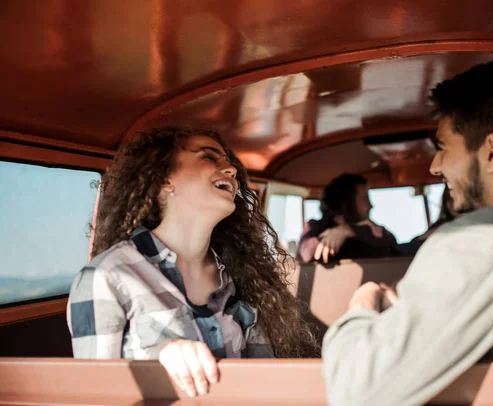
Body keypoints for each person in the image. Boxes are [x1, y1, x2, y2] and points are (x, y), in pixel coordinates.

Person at [322, 58, 493, 405]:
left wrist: (362, 303)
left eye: (442, 148)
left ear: (492, 152)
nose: (435, 166)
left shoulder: (480, 240)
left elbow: (353, 389)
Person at [67, 127, 317, 397]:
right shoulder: (107, 276)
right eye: (209, 157)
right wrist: (158, 360)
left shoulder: (243, 277)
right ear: (164, 179)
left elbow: (265, 386)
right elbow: (94, 397)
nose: (230, 170)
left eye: (228, 162)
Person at [297, 173, 397, 264]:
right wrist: (328, 240)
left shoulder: (368, 228)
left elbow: (391, 244)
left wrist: (350, 230)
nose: (370, 205)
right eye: (365, 199)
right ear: (346, 203)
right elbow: (306, 253)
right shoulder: (316, 227)